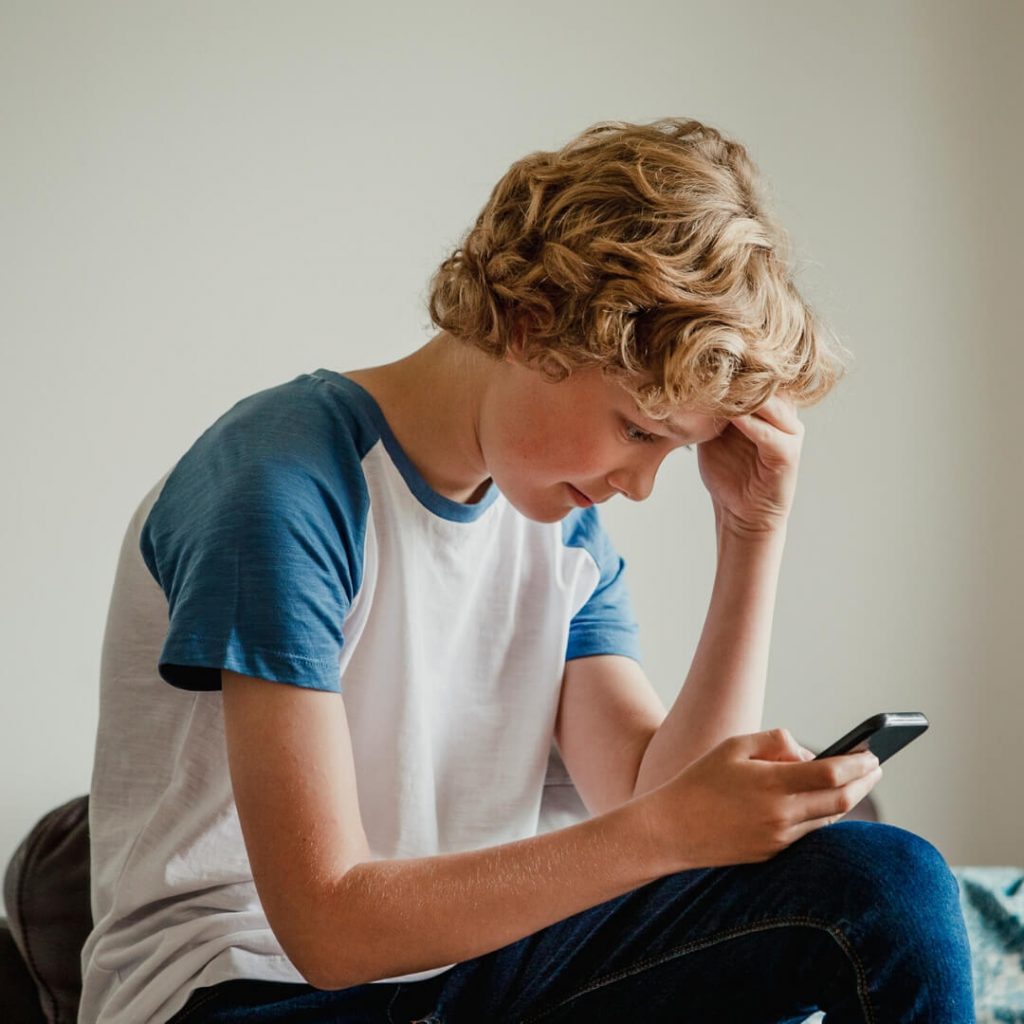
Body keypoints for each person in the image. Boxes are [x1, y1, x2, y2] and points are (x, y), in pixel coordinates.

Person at [79, 118, 974, 1024]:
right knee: (865, 890)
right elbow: (328, 927)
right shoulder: (282, 483)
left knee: (877, 877)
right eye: (638, 430)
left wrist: (752, 532)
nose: (638, 484)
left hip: (452, 984)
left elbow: (657, 801)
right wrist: (668, 829)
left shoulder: (560, 528)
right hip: (242, 994)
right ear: (529, 323)